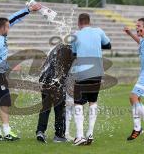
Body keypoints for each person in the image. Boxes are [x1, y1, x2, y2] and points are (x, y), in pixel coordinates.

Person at [0, 3, 42, 141]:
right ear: (2, 28)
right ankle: (7, 132)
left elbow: (14, 18)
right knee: (5, 102)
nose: (10, 28)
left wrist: (29, 10)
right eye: (8, 27)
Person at [71, 13, 111, 146]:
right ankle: (90, 133)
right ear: (89, 22)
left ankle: (79, 136)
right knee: (93, 102)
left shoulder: (75, 34)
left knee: (78, 103)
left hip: (82, 72)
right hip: (97, 72)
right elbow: (108, 45)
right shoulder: (99, 31)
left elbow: (74, 54)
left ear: (79, 23)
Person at [36, 44, 74, 143]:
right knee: (60, 108)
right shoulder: (68, 54)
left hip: (45, 81)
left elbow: (43, 70)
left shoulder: (53, 53)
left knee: (45, 108)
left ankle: (40, 131)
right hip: (56, 83)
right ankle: (59, 135)